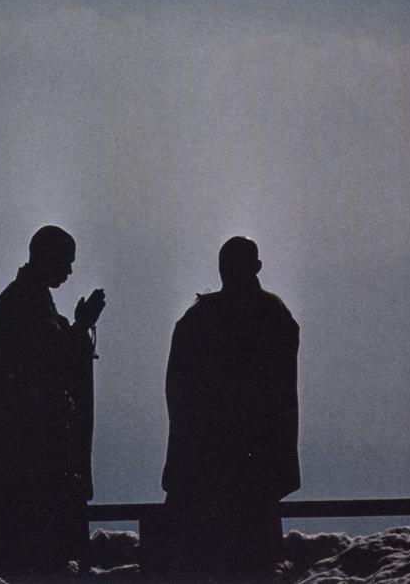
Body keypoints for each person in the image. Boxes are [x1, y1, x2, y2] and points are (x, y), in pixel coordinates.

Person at [0, 226, 106, 578]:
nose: (70, 271)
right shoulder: (24, 300)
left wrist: (75, 328)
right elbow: (45, 362)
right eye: (66, 262)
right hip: (22, 443)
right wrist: (81, 327)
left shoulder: (31, 299)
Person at [161, 237, 300, 581]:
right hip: (259, 456)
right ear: (256, 267)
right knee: (254, 553)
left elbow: (178, 390)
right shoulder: (274, 314)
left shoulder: (200, 318)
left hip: (206, 457)